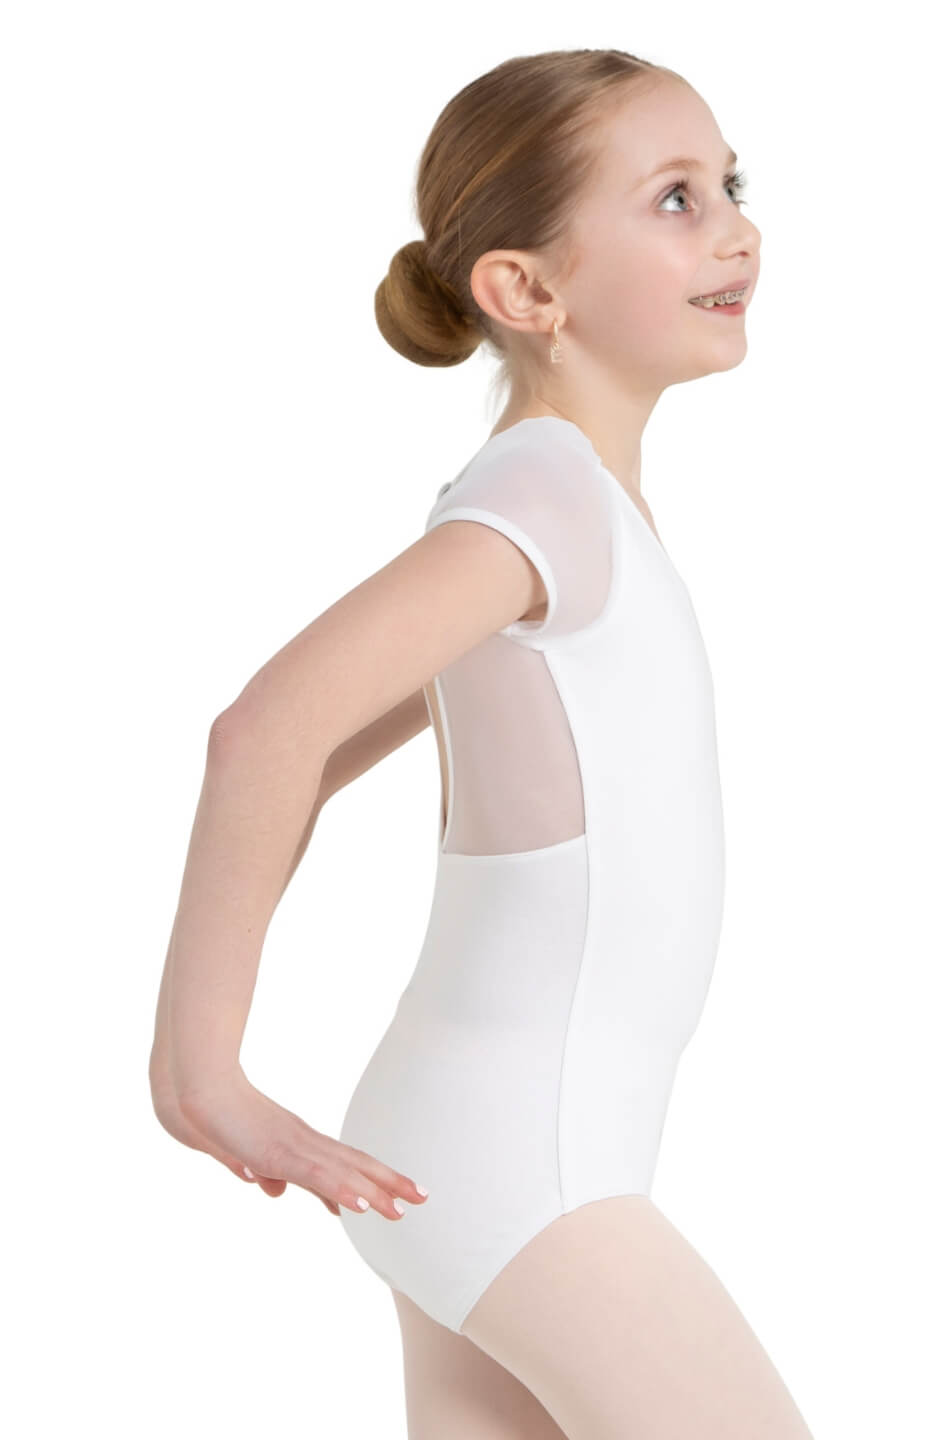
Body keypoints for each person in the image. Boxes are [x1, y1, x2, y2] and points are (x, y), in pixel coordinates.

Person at [149, 45, 817, 1440]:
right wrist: (203, 1073)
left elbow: (317, 755)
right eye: (676, 199)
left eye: (730, 185)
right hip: (529, 1173)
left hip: (484, 1155)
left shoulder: (562, 505)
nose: (737, 229)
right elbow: (263, 733)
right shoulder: (541, 502)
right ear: (527, 290)